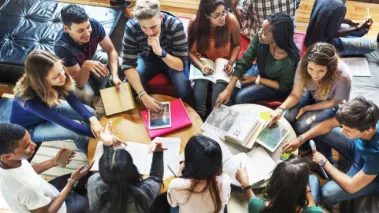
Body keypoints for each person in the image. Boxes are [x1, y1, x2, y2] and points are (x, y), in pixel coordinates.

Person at [282, 96, 379, 206]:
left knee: (328, 193)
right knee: (317, 128)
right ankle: (327, 168)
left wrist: (324, 162)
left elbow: (352, 186)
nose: (342, 131)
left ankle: (327, 199)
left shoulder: (376, 154)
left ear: (369, 130)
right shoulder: (363, 118)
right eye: (342, 126)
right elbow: (328, 124)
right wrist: (300, 139)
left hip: (372, 176)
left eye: (347, 130)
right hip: (358, 150)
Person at [10, 50, 102, 154]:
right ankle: (93, 154)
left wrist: (93, 119)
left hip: (50, 108)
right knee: (76, 134)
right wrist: (102, 135)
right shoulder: (29, 101)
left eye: (62, 69)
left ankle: (94, 139)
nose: (63, 76)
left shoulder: (59, 76)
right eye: (56, 76)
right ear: (42, 80)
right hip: (31, 128)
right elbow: (69, 125)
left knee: (90, 113)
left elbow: (73, 100)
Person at [0, 123, 92, 213]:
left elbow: (25, 170)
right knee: (90, 203)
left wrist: (53, 162)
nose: (34, 145)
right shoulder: (27, 188)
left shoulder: (9, 162)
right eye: (27, 146)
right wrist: (71, 181)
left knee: (88, 174)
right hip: (57, 209)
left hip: (47, 192)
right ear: (7, 157)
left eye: (30, 140)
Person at [216, 12, 300, 106]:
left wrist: (256, 79)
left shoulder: (289, 62)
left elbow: (282, 86)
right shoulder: (260, 38)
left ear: (277, 38)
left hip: (275, 86)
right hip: (259, 70)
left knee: (241, 97)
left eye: (264, 33)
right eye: (261, 29)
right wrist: (228, 89)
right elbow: (246, 60)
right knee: (232, 88)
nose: (259, 33)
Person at [269, 42, 351, 138]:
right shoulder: (302, 66)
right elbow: (296, 94)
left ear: (330, 68)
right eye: (310, 69)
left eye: (320, 71)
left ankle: (304, 146)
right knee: (288, 117)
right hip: (311, 93)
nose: (315, 75)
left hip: (329, 104)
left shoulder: (343, 78)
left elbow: (332, 103)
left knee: (301, 126)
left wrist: (307, 108)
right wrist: (281, 108)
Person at [121, 0, 191, 112]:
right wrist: (143, 95)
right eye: (144, 27)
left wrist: (160, 52)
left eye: (153, 26)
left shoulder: (175, 25)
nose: (149, 32)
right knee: (128, 84)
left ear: (161, 17)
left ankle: (182, 111)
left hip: (171, 58)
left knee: (183, 84)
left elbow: (180, 65)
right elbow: (128, 65)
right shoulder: (131, 27)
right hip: (146, 58)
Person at [54, 4, 122, 102]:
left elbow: (111, 50)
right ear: (66, 28)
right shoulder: (62, 47)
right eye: (80, 30)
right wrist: (85, 66)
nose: (87, 33)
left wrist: (115, 75)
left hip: (92, 56)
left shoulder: (94, 24)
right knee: (88, 95)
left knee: (122, 63)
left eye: (88, 27)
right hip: (78, 69)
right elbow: (79, 83)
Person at [87, 130, 165, 213]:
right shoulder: (142, 195)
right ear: (131, 170)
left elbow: (111, 171)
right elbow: (156, 177)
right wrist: (158, 152)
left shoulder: (94, 181)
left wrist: (107, 145)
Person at [188, 0, 241, 119]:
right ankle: (200, 115)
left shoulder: (231, 19)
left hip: (225, 61)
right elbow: (191, 52)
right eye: (217, 15)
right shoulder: (195, 24)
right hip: (205, 60)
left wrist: (231, 63)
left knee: (219, 88)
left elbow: (237, 45)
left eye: (224, 12)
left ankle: (214, 117)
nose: (222, 17)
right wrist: (201, 66)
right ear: (206, 15)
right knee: (200, 85)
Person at [236, 155, 322, 213]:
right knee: (313, 179)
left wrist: (245, 184)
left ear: (273, 182)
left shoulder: (257, 205)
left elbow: (253, 202)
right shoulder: (314, 211)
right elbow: (312, 207)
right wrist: (307, 191)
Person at [167, 135, 231, 213]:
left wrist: (180, 172)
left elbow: (172, 203)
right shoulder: (225, 181)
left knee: (174, 206)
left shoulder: (176, 186)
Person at [304, 0, 377, 56]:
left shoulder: (336, 4)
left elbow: (329, 16)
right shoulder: (340, 6)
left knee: (364, 30)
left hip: (311, 38)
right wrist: (357, 28)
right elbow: (332, 34)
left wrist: (351, 22)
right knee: (372, 45)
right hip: (321, 47)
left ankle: (348, 39)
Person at [232, 0, 298, 39]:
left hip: (264, 37)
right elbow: (297, 4)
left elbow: (241, 14)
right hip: (288, 33)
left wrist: (234, 5)